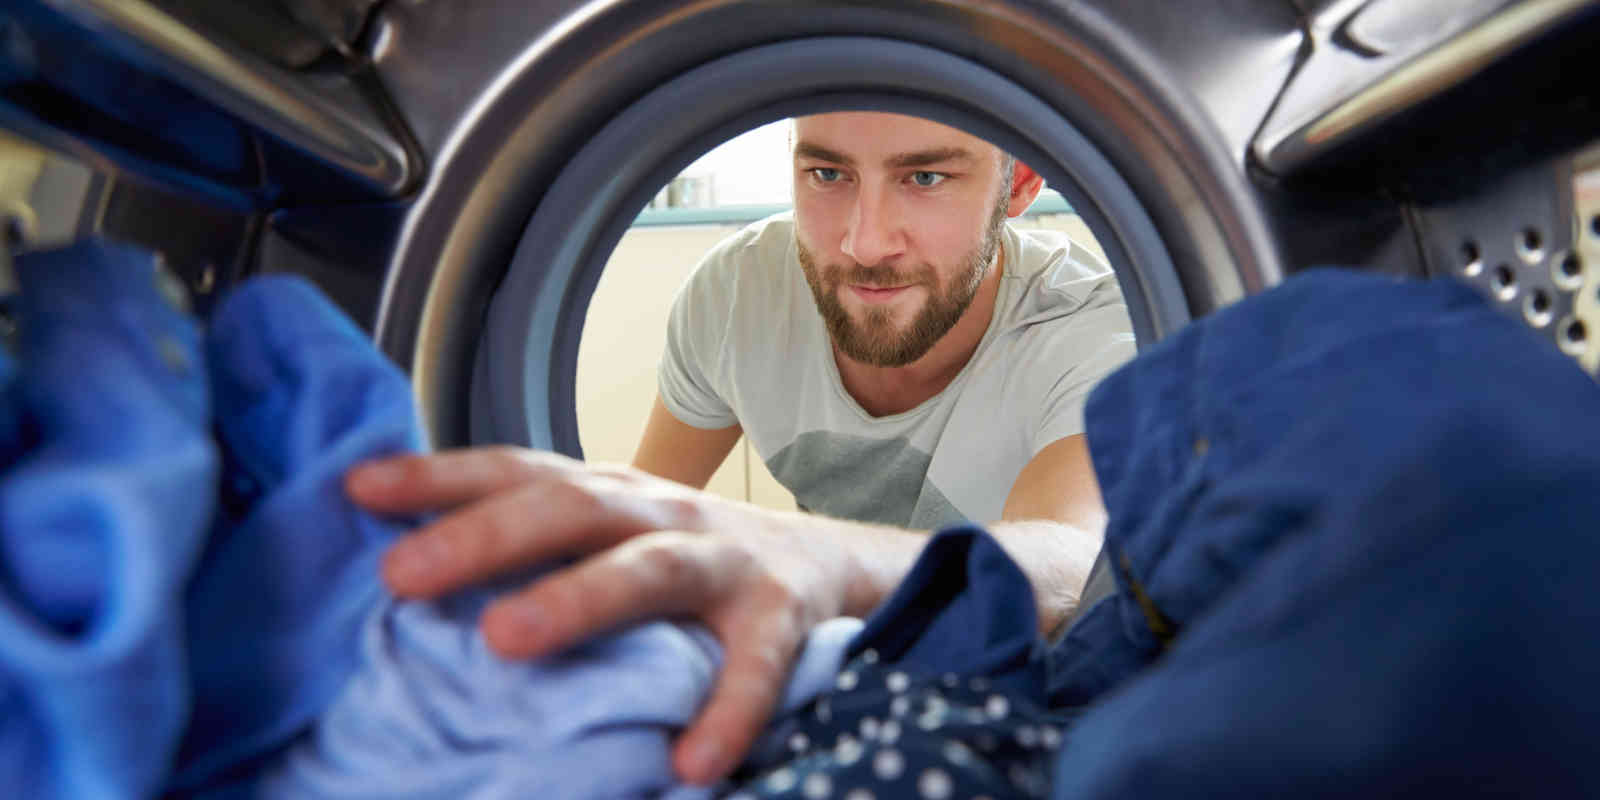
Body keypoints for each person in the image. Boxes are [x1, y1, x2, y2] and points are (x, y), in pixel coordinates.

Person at [344, 111, 1134, 786]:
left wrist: (813, 555)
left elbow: (1070, 560)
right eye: (828, 173)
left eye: (925, 178)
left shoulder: (1087, 328)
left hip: (1007, 684)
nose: (863, 243)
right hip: (823, 661)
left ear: (1020, 185)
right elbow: (649, 509)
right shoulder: (737, 293)